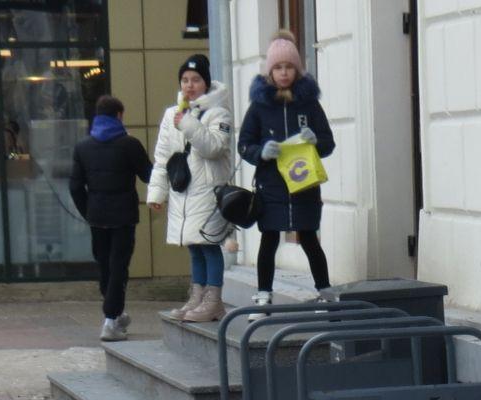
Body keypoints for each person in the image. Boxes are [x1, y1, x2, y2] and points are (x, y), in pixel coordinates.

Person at [237, 30, 335, 305]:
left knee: (309, 238)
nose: (283, 73)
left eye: (289, 67)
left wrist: (315, 142)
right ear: (270, 71)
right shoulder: (259, 107)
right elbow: (244, 144)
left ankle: (325, 291)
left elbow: (328, 143)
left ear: (297, 69)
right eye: (278, 67)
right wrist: (261, 153)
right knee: (269, 239)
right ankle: (264, 293)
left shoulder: (309, 104)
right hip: (271, 187)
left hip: (304, 185)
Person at [147, 53, 233, 323]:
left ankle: (213, 300)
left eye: (195, 79)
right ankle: (197, 296)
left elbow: (214, 147)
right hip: (182, 192)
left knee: (208, 243)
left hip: (208, 192)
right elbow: (162, 157)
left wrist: (187, 122)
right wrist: (156, 193)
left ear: (206, 83)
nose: (189, 85)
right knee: (193, 246)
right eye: (185, 80)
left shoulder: (218, 113)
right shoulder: (171, 114)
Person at [69, 94, 152, 342]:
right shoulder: (130, 145)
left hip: (97, 214)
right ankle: (111, 318)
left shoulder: (82, 147)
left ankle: (115, 313)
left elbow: (75, 187)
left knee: (104, 265)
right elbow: (149, 175)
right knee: (119, 267)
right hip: (124, 214)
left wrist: (88, 211)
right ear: (119, 116)